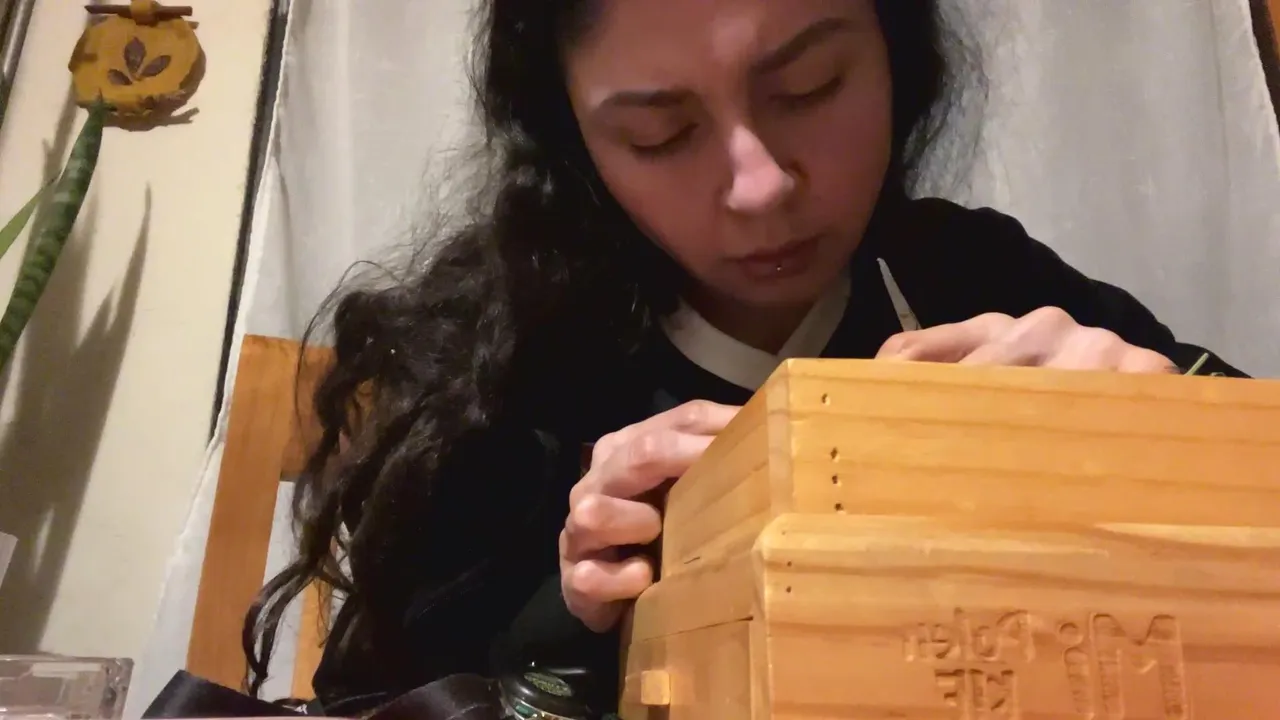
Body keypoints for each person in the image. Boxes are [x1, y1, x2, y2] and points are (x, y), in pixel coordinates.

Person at [242, 0, 1246, 716]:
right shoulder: (498, 377)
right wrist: (564, 630)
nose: (759, 187)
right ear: (575, 143)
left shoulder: (975, 278)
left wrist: (1182, 438)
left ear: (895, 56)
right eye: (659, 135)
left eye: (810, 87)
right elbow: (368, 697)